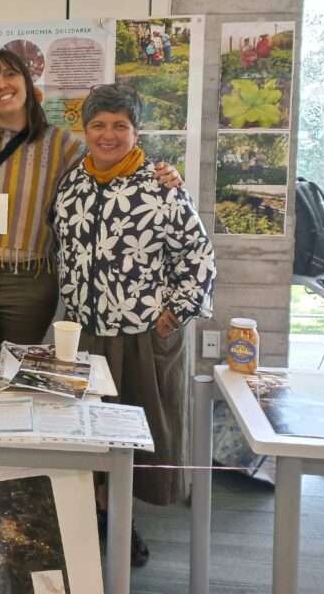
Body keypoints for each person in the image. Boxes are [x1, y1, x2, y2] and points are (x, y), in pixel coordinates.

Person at [50, 82, 216, 566]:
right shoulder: (72, 183)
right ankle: (93, 515)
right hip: (84, 333)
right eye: (98, 125)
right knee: (88, 432)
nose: (108, 135)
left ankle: (125, 522)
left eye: (119, 125)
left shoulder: (161, 186)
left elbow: (198, 256)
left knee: (134, 434)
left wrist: (176, 312)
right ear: (84, 130)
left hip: (142, 334)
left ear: (136, 131)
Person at [0, 51, 182, 357]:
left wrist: (161, 170)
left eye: (10, 75)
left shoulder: (62, 144)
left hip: (28, 283)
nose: (2, 85)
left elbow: (111, 158)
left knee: (17, 372)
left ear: (27, 83)